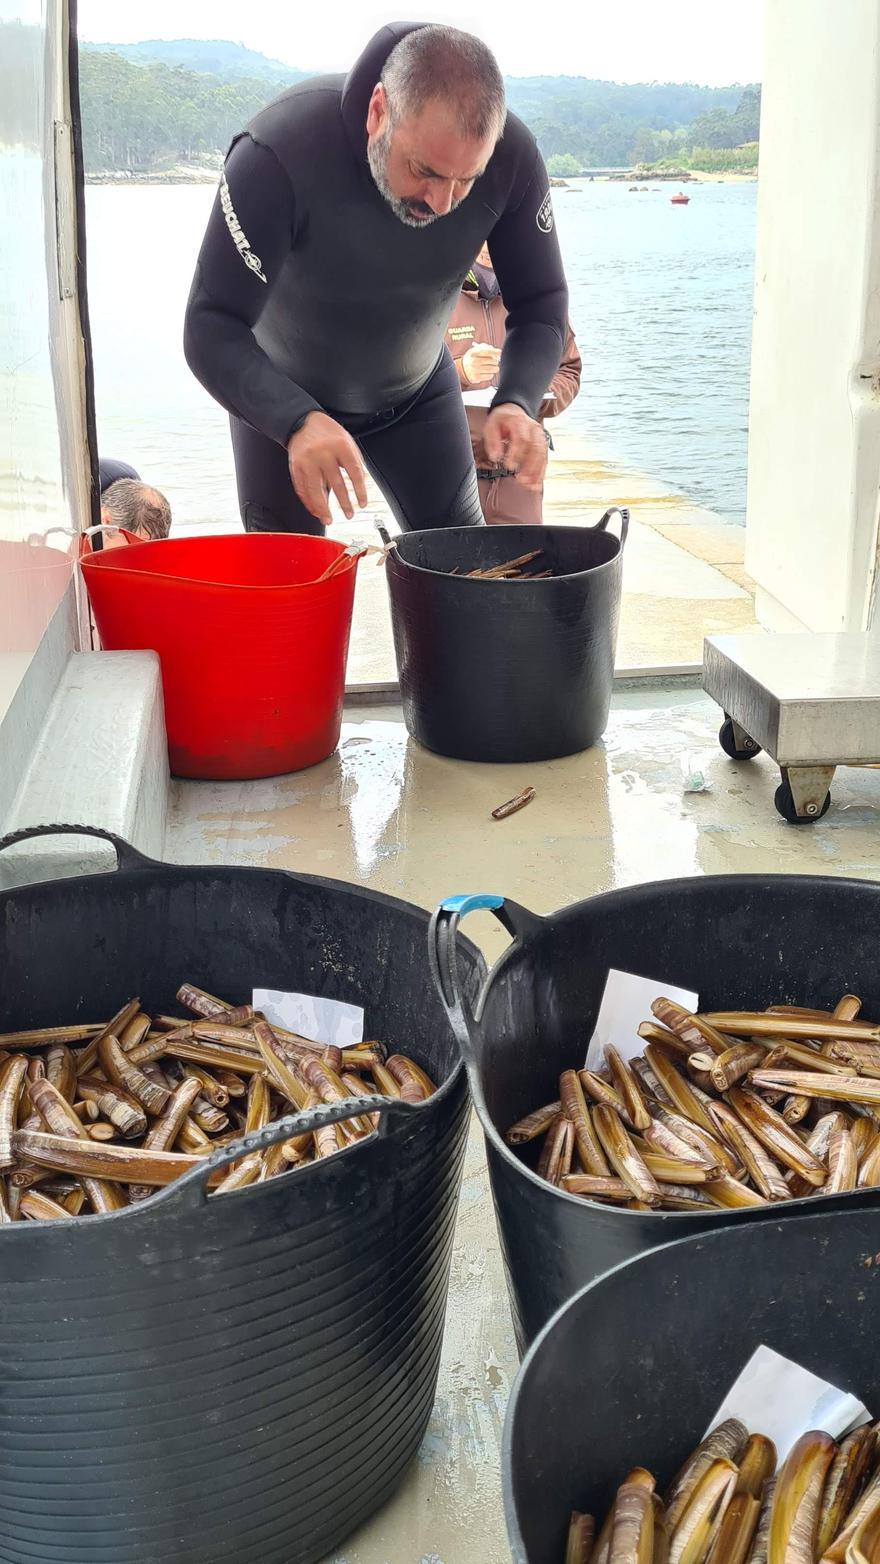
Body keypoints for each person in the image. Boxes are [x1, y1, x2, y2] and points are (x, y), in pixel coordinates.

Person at [183, 22, 568, 536]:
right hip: (281, 395)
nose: (443, 202)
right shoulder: (278, 152)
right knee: (288, 592)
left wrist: (518, 399)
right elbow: (210, 325)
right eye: (424, 170)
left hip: (416, 396)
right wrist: (294, 420)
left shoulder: (515, 158)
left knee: (460, 575)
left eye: (466, 182)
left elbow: (541, 304)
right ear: (378, 111)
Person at [447, 242, 581, 523]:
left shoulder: (536, 300)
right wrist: (459, 372)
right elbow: (402, 379)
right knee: (451, 562)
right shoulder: (437, 297)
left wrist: (534, 396)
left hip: (519, 476)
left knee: (526, 561)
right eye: (483, 235)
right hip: (453, 475)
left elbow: (569, 369)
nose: (489, 245)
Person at [97, 462, 172, 541]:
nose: (138, 553)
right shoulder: (85, 503)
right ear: (106, 520)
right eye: (128, 551)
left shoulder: (138, 493)